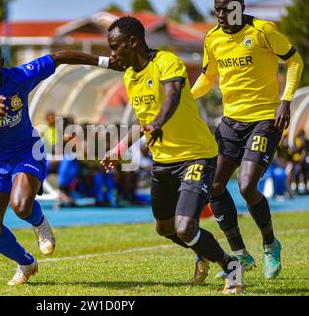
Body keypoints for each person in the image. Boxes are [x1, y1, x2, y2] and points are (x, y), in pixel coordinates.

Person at [0, 38, 117, 285]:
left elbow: (60, 56)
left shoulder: (19, 77)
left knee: (20, 206)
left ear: (1, 63)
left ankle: (39, 223)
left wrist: (105, 61)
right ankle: (26, 263)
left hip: (26, 151)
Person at [100, 16, 243, 294]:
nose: (112, 54)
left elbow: (173, 96)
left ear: (133, 42)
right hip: (163, 160)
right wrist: (120, 148)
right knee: (165, 228)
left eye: (116, 47)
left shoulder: (166, 61)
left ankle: (231, 267)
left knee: (186, 227)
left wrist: (158, 124)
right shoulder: (130, 77)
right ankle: (202, 251)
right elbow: (144, 120)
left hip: (196, 155)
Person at [191, 0, 303, 279]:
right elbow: (207, 78)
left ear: (239, 7)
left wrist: (286, 100)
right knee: (214, 185)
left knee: (246, 185)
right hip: (230, 123)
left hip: (265, 119)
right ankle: (240, 253)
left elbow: (295, 61)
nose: (220, 12)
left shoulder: (262, 30)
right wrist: (184, 98)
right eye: (216, 7)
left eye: (226, 7)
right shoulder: (212, 38)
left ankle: (270, 244)